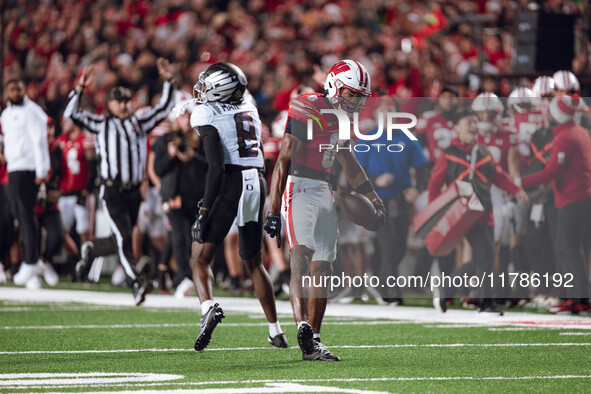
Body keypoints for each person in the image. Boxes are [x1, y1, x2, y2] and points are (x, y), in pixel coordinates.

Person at [264, 60, 386, 361]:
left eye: (360, 97)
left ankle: (314, 339)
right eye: (351, 94)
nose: (355, 102)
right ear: (333, 85)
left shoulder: (343, 119)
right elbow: (284, 159)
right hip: (300, 186)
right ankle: (302, 325)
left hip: (327, 190)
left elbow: (349, 164)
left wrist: (373, 196)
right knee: (301, 256)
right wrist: (274, 208)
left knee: (323, 267)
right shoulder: (309, 104)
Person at [188, 62, 287, 351]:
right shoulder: (250, 109)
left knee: (199, 258)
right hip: (257, 179)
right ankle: (275, 330)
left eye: (207, 85)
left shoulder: (205, 113)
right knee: (253, 260)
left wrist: (205, 211)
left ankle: (208, 307)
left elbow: (216, 167)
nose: (202, 90)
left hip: (231, 181)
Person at [63, 58, 176, 305]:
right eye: (119, 101)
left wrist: (168, 81)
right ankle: (135, 282)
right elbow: (70, 113)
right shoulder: (101, 124)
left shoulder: (140, 122)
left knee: (119, 238)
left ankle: (92, 250)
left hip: (134, 192)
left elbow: (165, 108)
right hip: (111, 190)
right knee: (125, 237)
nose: (125, 105)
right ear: (110, 104)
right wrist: (79, 89)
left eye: (127, 100)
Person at [429, 109, 528, 314]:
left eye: (475, 121)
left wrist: (516, 190)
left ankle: (446, 287)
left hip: (486, 212)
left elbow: (498, 176)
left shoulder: (484, 152)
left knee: (485, 258)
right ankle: (485, 303)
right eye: (468, 121)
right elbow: (434, 185)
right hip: (462, 215)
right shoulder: (449, 154)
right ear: (456, 128)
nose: (474, 125)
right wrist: (435, 213)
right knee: (486, 255)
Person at [518, 96, 591, 314]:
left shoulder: (565, 137)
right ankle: (574, 296)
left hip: (572, 198)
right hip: (577, 197)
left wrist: (520, 182)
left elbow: (552, 171)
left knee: (570, 249)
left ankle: (580, 298)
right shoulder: (579, 132)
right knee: (568, 248)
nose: (546, 115)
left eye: (549, 112)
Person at [356, 97, 428, 304]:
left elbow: (423, 168)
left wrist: (417, 188)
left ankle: (380, 282)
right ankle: (390, 292)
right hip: (377, 201)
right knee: (387, 245)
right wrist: (375, 180)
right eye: (383, 111)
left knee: (399, 246)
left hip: (402, 199)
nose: (387, 116)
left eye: (391, 111)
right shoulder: (366, 139)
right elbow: (355, 173)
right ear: (375, 115)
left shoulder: (407, 138)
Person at [0, 78, 53, 286]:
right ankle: (32, 262)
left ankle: (31, 260)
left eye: (19, 88)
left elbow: (39, 141)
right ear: (6, 92)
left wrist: (42, 170)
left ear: (24, 90)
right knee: (21, 216)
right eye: (12, 89)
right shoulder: (6, 114)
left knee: (26, 215)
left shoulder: (32, 112)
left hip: (28, 169)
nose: (15, 92)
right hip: (14, 169)